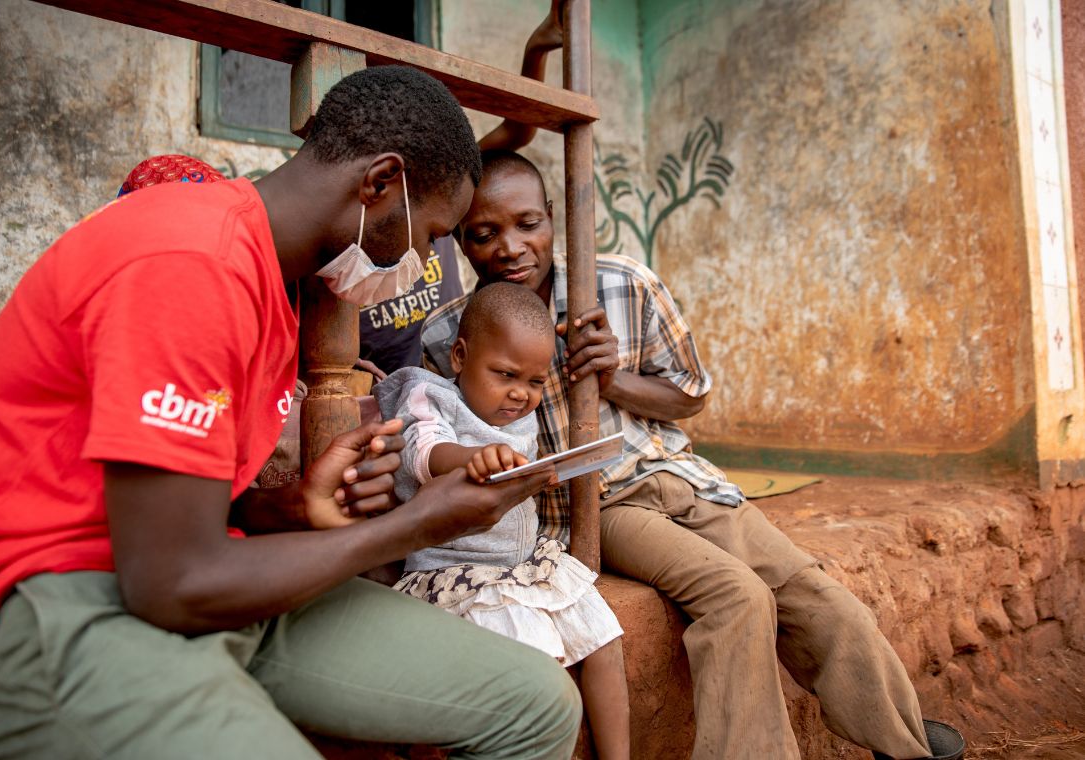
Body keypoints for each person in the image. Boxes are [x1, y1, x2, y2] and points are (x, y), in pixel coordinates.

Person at [0, 69, 581, 760]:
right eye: (431, 234)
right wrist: (414, 525)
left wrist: (288, 509)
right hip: (52, 601)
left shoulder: (274, 282)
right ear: (380, 183)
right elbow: (170, 584)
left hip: (189, 580)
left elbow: (174, 508)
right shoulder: (190, 263)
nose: (427, 260)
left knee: (536, 705)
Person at [421, 150, 942, 760]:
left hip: (679, 475)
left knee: (811, 592)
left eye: (527, 224)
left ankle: (907, 747)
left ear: (553, 218)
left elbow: (690, 394)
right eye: (484, 234)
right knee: (738, 596)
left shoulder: (622, 283)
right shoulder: (447, 335)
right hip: (599, 504)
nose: (510, 248)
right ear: (460, 239)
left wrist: (611, 380)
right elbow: (445, 438)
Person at [375, 282, 630, 760]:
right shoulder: (430, 396)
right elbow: (423, 452)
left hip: (525, 565)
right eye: (506, 374)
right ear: (459, 356)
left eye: (535, 382)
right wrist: (474, 458)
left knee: (604, 638)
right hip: (455, 574)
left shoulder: (515, 412)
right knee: (534, 660)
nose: (520, 393)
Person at [356, 0, 564, 381]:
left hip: (451, 373)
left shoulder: (440, 190)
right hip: (383, 388)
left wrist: (536, 48)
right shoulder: (345, 222)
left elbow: (517, 129)